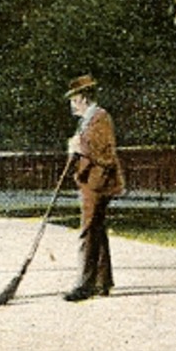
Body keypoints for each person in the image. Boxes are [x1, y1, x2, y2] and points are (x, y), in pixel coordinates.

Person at [64, 74, 123, 301]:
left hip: (98, 184)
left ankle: (85, 285)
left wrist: (81, 147)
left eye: (73, 100)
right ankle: (102, 281)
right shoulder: (87, 120)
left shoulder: (100, 118)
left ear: (83, 99)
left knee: (88, 231)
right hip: (90, 182)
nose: (71, 106)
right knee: (96, 230)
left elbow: (106, 153)